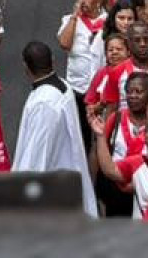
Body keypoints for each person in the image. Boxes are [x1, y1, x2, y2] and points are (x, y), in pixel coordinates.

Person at [12, 39, 96, 215]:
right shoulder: (64, 86)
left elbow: (36, 155)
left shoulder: (44, 103)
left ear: (25, 67)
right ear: (52, 60)